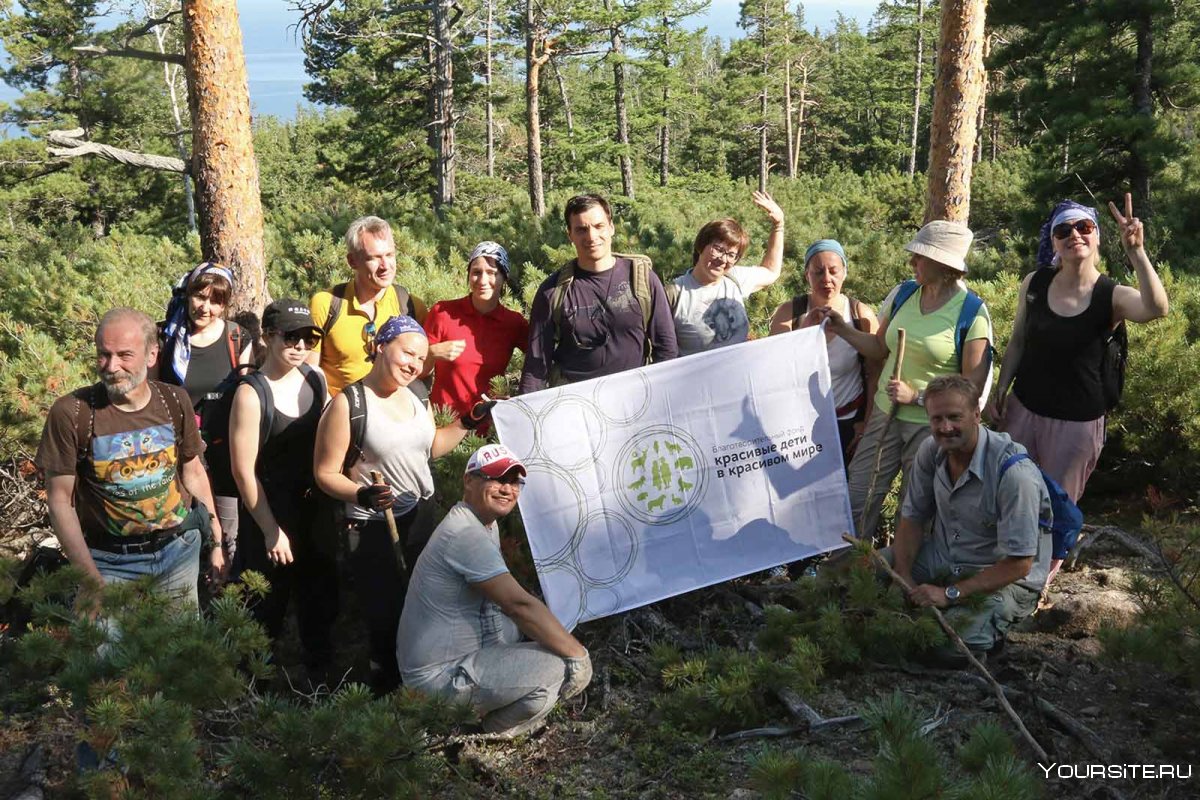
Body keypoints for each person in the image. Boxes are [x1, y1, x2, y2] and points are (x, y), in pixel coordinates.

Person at [991, 195, 1168, 591]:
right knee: (1010, 495)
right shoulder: (1034, 284)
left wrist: (1137, 253)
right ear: (1053, 242)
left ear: (1097, 237)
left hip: (1077, 426)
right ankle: (998, 575)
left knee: (1055, 509)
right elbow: (1018, 341)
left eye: (1084, 227)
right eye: (1063, 230)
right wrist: (1001, 389)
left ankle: (1033, 587)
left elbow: (1157, 309)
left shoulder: (1111, 295)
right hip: (1024, 410)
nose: (1075, 235)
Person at [313, 315, 491, 692]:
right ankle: (388, 690)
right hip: (373, 526)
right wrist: (362, 494)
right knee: (387, 614)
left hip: (420, 516)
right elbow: (325, 473)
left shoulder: (415, 395)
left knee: (426, 603)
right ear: (381, 346)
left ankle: (427, 682)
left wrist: (467, 421)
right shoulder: (349, 404)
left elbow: (431, 448)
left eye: (421, 357)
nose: (413, 364)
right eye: (407, 352)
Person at [36, 308, 225, 612]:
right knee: (109, 656)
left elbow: (193, 472)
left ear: (152, 355)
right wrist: (89, 578)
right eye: (103, 355)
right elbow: (60, 502)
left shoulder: (174, 401)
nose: (111, 366)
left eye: (124, 355)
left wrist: (216, 542)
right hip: (108, 562)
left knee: (178, 653)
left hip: (178, 552)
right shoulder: (72, 413)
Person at [397, 444, 592, 737]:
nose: (507, 489)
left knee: (532, 629)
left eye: (514, 482)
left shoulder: (481, 522)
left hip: (445, 663)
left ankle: (487, 707)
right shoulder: (464, 534)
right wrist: (578, 655)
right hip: (437, 680)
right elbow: (517, 604)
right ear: (469, 480)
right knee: (557, 667)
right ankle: (483, 734)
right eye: (497, 479)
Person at [816, 220, 993, 542]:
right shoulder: (904, 294)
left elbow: (972, 389)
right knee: (858, 495)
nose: (912, 262)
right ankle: (844, 574)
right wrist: (842, 328)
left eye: (919, 257)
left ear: (943, 265)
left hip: (930, 428)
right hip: (885, 414)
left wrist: (919, 397)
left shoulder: (972, 313)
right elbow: (879, 347)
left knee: (914, 510)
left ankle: (903, 579)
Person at [888, 375, 1051, 664]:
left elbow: (1020, 563)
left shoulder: (1014, 474)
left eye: (954, 417)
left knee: (945, 644)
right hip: (944, 555)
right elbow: (912, 518)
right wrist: (903, 573)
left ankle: (992, 634)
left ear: (976, 415)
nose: (945, 427)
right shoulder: (931, 451)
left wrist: (950, 593)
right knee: (862, 574)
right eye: (937, 419)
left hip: (1004, 578)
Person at [229, 300, 337, 675]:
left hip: (314, 512)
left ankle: (320, 690)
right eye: (291, 337)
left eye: (309, 338)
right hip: (267, 513)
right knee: (263, 612)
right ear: (269, 336)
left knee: (317, 604)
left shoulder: (315, 378)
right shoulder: (250, 393)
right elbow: (244, 472)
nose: (301, 346)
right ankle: (248, 695)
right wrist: (272, 531)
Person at [519, 194, 678, 392]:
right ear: (570, 235)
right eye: (581, 229)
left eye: (598, 226)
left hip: (635, 398)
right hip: (576, 403)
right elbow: (536, 364)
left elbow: (666, 348)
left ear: (611, 227)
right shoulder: (553, 291)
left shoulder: (642, 279)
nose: (591, 236)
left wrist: (658, 395)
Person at [157, 262, 252, 562]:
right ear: (188, 294)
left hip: (224, 453)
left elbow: (246, 394)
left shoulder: (237, 338)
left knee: (229, 537)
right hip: (178, 454)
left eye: (216, 301)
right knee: (186, 533)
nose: (205, 307)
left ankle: (227, 598)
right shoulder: (167, 337)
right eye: (200, 296)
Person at [769, 239, 880, 466]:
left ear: (844, 273)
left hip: (849, 419)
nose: (826, 279)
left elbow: (876, 374)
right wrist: (805, 331)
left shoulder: (860, 315)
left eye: (833, 271)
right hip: (800, 423)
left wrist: (866, 423)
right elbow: (774, 367)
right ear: (806, 275)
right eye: (818, 272)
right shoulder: (790, 313)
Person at [308, 216, 428, 397]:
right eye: (374, 258)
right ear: (352, 261)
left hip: (393, 416)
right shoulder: (326, 303)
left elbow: (422, 371)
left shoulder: (411, 307)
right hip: (339, 416)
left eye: (390, 255)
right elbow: (309, 372)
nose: (385, 266)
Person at [423, 241, 528, 425]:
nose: (482, 280)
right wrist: (431, 352)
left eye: (492, 273)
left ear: (504, 278)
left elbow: (541, 360)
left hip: (489, 426)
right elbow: (414, 369)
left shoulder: (513, 323)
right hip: (444, 424)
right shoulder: (443, 312)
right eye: (476, 272)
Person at [669, 191, 785, 356]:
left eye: (732, 255)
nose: (723, 259)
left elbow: (771, 271)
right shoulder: (676, 293)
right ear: (701, 246)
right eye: (718, 249)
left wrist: (778, 225)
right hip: (695, 381)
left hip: (739, 378)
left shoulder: (735, 279)